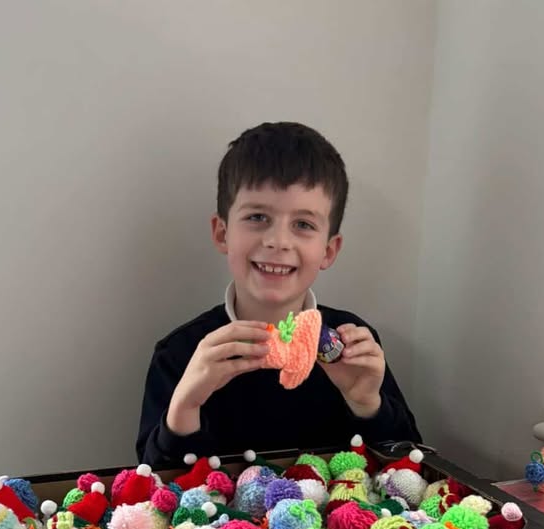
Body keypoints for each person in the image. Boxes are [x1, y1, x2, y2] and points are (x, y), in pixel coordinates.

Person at [137, 121, 420, 466]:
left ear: (329, 251)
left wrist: (367, 404)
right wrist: (186, 407)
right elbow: (148, 491)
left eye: (303, 225)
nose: (278, 241)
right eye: (257, 217)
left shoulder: (348, 347)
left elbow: (411, 469)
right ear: (222, 234)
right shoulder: (181, 354)